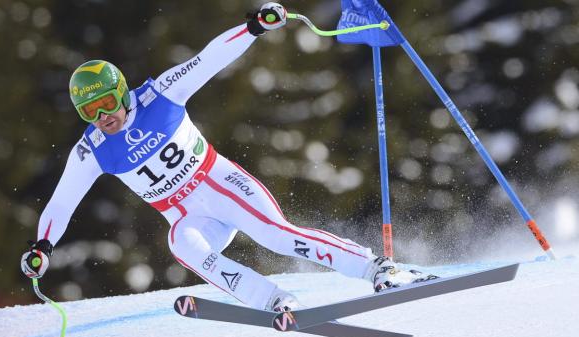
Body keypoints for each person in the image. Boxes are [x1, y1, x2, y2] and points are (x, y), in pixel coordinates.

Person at [21, 2, 435, 312]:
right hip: (189, 215)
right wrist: (43, 247)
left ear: (121, 91)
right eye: (90, 113)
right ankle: (272, 300)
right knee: (181, 243)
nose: (104, 117)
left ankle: (378, 268)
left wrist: (254, 27)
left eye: (107, 103)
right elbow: (62, 201)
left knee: (276, 235)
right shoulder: (90, 149)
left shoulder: (159, 95)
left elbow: (207, 58)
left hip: (220, 184)